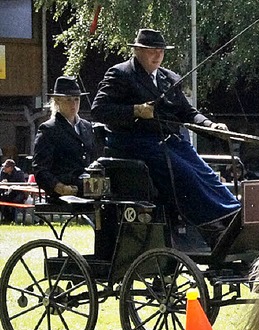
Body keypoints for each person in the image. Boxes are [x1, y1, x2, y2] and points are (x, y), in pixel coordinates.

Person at [91, 28, 240, 248]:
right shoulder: (120, 74)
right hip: (132, 144)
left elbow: (187, 113)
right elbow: (99, 110)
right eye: (152, 50)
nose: (158, 55)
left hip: (169, 141)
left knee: (204, 171)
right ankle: (211, 228)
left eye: (161, 50)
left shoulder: (169, 78)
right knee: (184, 173)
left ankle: (233, 215)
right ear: (138, 51)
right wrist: (135, 110)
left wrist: (210, 126)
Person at [32, 76, 99, 199]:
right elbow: (40, 170)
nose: (74, 104)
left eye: (76, 99)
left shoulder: (87, 126)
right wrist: (60, 187)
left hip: (90, 187)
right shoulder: (49, 129)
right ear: (57, 101)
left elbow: (94, 157)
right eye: (68, 100)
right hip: (66, 190)